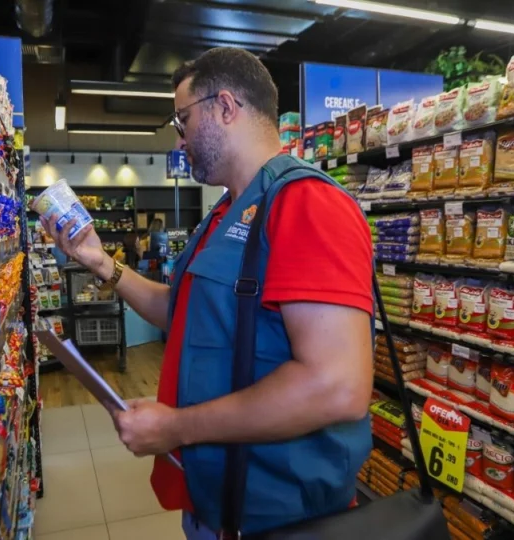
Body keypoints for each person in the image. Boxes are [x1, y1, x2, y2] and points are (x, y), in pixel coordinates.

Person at [40, 47, 373, 538]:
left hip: (283, 513)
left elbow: (336, 387)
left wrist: (177, 427)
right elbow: (182, 313)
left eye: (182, 118)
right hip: (218, 501)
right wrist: (100, 262)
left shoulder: (307, 203)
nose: (179, 137)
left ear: (225, 107)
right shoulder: (224, 213)